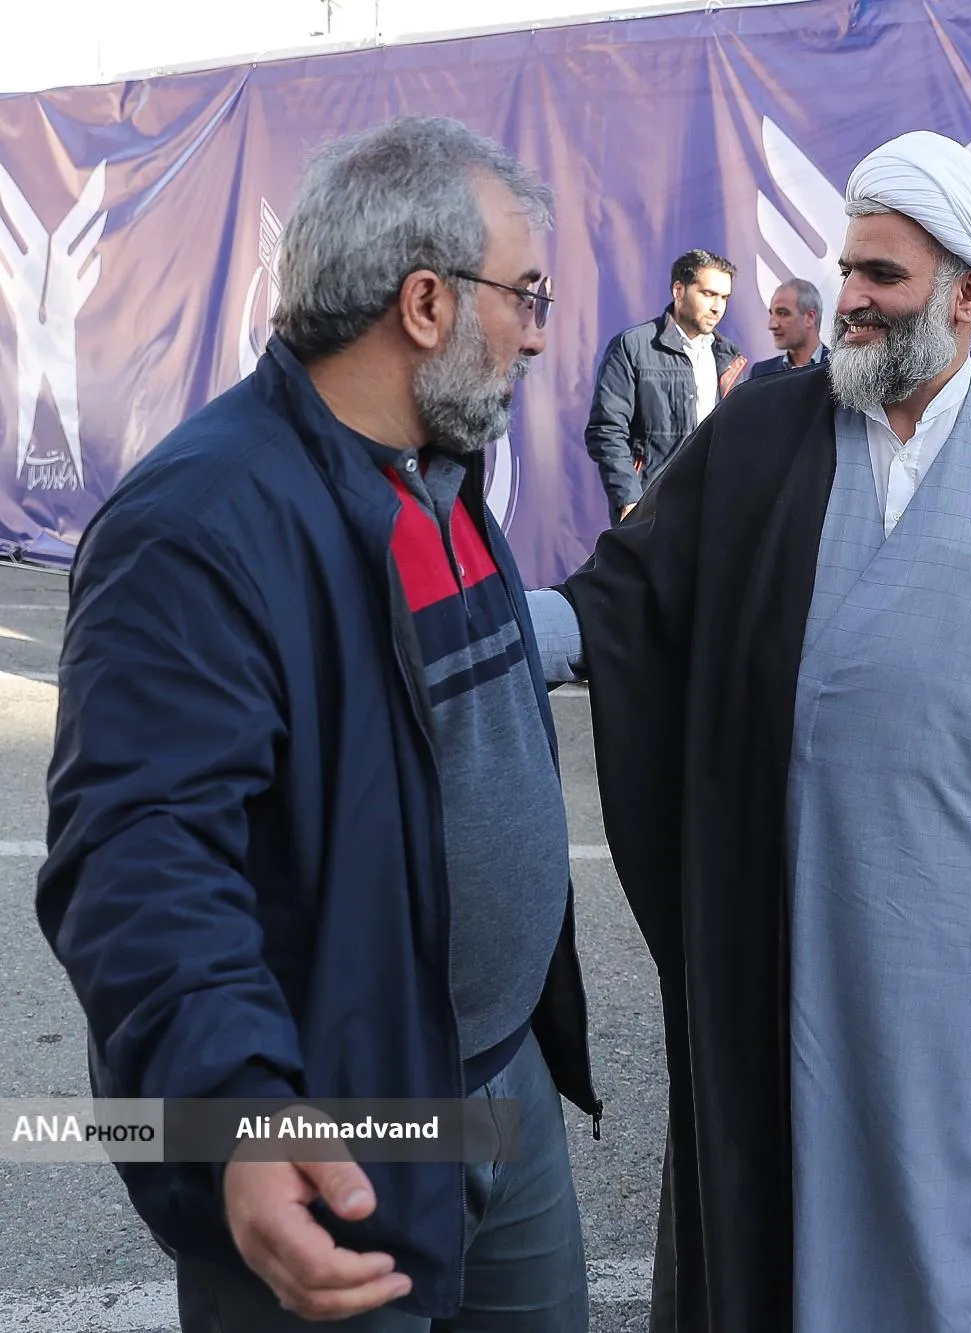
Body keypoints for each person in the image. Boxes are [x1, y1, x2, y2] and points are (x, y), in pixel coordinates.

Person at [531, 131, 971, 1332]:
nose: (849, 299)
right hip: (788, 900)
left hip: (967, 921)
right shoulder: (763, 433)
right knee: (794, 1169)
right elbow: (630, 592)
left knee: (955, 1180)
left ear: (965, 296)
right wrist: (509, 633)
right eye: (847, 271)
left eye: (881, 275)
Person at [36, 117, 599, 1329]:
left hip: (500, 1086)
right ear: (426, 304)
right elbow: (140, 857)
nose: (539, 332)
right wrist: (236, 1106)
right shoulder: (197, 525)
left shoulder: (432, 469)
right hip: (334, 1128)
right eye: (526, 293)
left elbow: (447, 680)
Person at [584, 247, 748, 521]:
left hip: (712, 510)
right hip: (651, 509)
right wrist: (629, 498)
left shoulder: (729, 358)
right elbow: (606, 430)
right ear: (678, 290)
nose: (717, 307)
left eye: (724, 297)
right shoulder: (634, 346)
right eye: (708, 294)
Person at [747, 278, 828, 378]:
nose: (772, 325)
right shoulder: (760, 373)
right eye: (771, 313)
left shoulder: (840, 371)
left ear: (810, 317)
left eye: (782, 313)